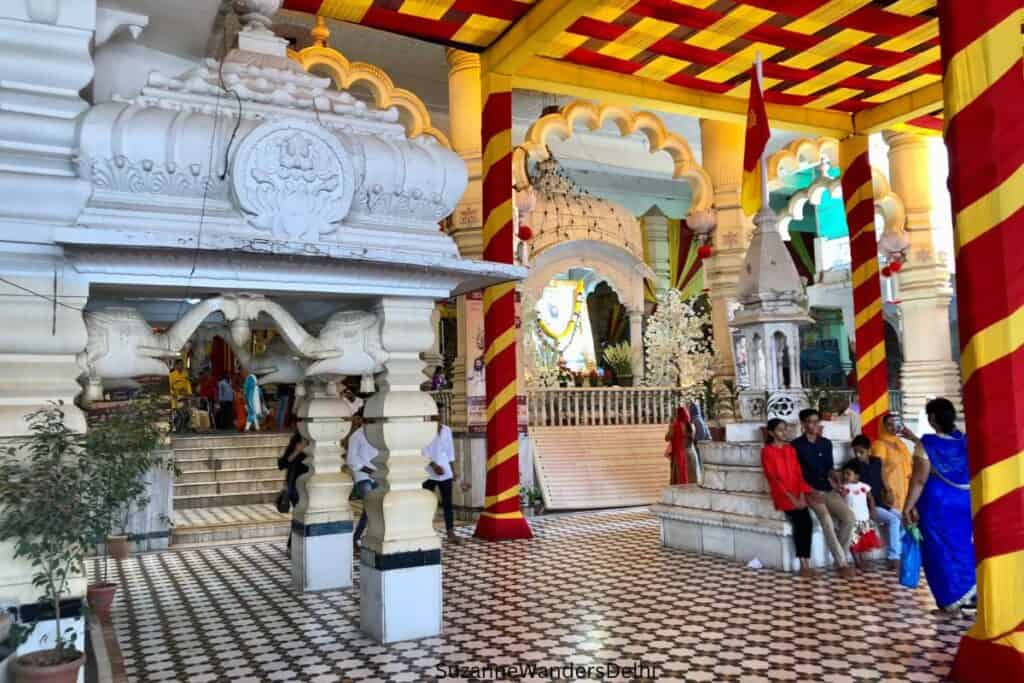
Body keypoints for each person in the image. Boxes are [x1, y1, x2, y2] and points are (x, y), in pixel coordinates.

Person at [901, 398, 976, 613]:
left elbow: (919, 480)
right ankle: (971, 592)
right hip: (963, 500)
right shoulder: (965, 440)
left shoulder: (927, 444)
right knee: (963, 545)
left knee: (939, 550)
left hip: (936, 505)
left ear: (932, 418)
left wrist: (907, 507)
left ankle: (951, 599)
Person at [792, 408, 856, 578]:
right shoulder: (796, 446)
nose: (814, 425)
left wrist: (838, 482)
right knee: (826, 520)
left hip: (828, 489)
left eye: (816, 421)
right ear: (803, 424)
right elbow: (796, 474)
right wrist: (809, 491)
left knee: (849, 518)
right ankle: (842, 563)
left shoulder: (826, 443)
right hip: (810, 491)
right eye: (810, 422)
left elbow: (829, 469)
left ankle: (840, 557)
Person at [761, 418, 815, 577]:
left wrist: (802, 495)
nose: (784, 432)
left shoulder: (790, 449)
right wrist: (793, 499)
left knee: (808, 522)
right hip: (783, 495)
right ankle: (803, 564)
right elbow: (773, 479)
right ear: (771, 433)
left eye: (785, 429)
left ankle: (806, 561)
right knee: (800, 521)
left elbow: (798, 474)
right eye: (780, 429)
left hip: (798, 493)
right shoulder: (767, 451)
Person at [850, 434, 902, 570]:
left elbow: (883, 478)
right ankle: (893, 557)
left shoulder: (877, 461)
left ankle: (899, 550)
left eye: (861, 452)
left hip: (881, 502)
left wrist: (889, 491)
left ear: (869, 450)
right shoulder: (853, 465)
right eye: (855, 452)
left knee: (905, 520)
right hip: (868, 507)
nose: (858, 455)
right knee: (894, 520)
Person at [422, 420, 460, 544]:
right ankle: (424, 531)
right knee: (427, 503)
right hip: (429, 472)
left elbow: (450, 452)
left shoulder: (447, 430)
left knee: (448, 503)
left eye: (440, 414)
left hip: (445, 472)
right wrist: (434, 466)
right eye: (436, 414)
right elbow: (423, 451)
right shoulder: (425, 429)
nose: (439, 417)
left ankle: (450, 532)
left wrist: (453, 470)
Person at [840, 460, 882, 571]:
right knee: (853, 541)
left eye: (848, 474)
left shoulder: (864, 486)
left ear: (856, 476)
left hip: (864, 518)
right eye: (844, 474)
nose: (845, 476)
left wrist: (872, 510)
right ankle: (857, 562)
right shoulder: (844, 487)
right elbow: (841, 500)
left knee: (863, 541)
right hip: (853, 520)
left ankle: (862, 560)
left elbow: (870, 499)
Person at [346, 410, 378, 551]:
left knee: (373, 508)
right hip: (363, 477)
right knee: (370, 507)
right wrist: (369, 471)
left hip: (377, 476)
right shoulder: (356, 436)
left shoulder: (378, 434)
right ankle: (357, 538)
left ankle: (363, 537)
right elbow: (351, 460)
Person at [871, 413, 913, 512]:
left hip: (906, 488)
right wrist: (888, 490)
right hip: (891, 489)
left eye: (895, 424)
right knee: (895, 517)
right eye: (889, 424)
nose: (893, 427)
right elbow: (877, 469)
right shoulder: (879, 445)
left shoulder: (900, 443)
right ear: (883, 426)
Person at [277, 430, 308, 557]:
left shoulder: (315, 444)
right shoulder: (296, 444)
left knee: (303, 517)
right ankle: (291, 546)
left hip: (310, 487)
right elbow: (282, 464)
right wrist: (297, 451)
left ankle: (294, 545)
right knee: (300, 516)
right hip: (295, 488)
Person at [664, 405, 696, 485]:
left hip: (679, 456)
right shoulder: (691, 426)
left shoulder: (675, 426)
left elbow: (667, 438)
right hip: (691, 455)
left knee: (678, 481)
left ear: (678, 414)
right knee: (690, 481)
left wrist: (670, 427)